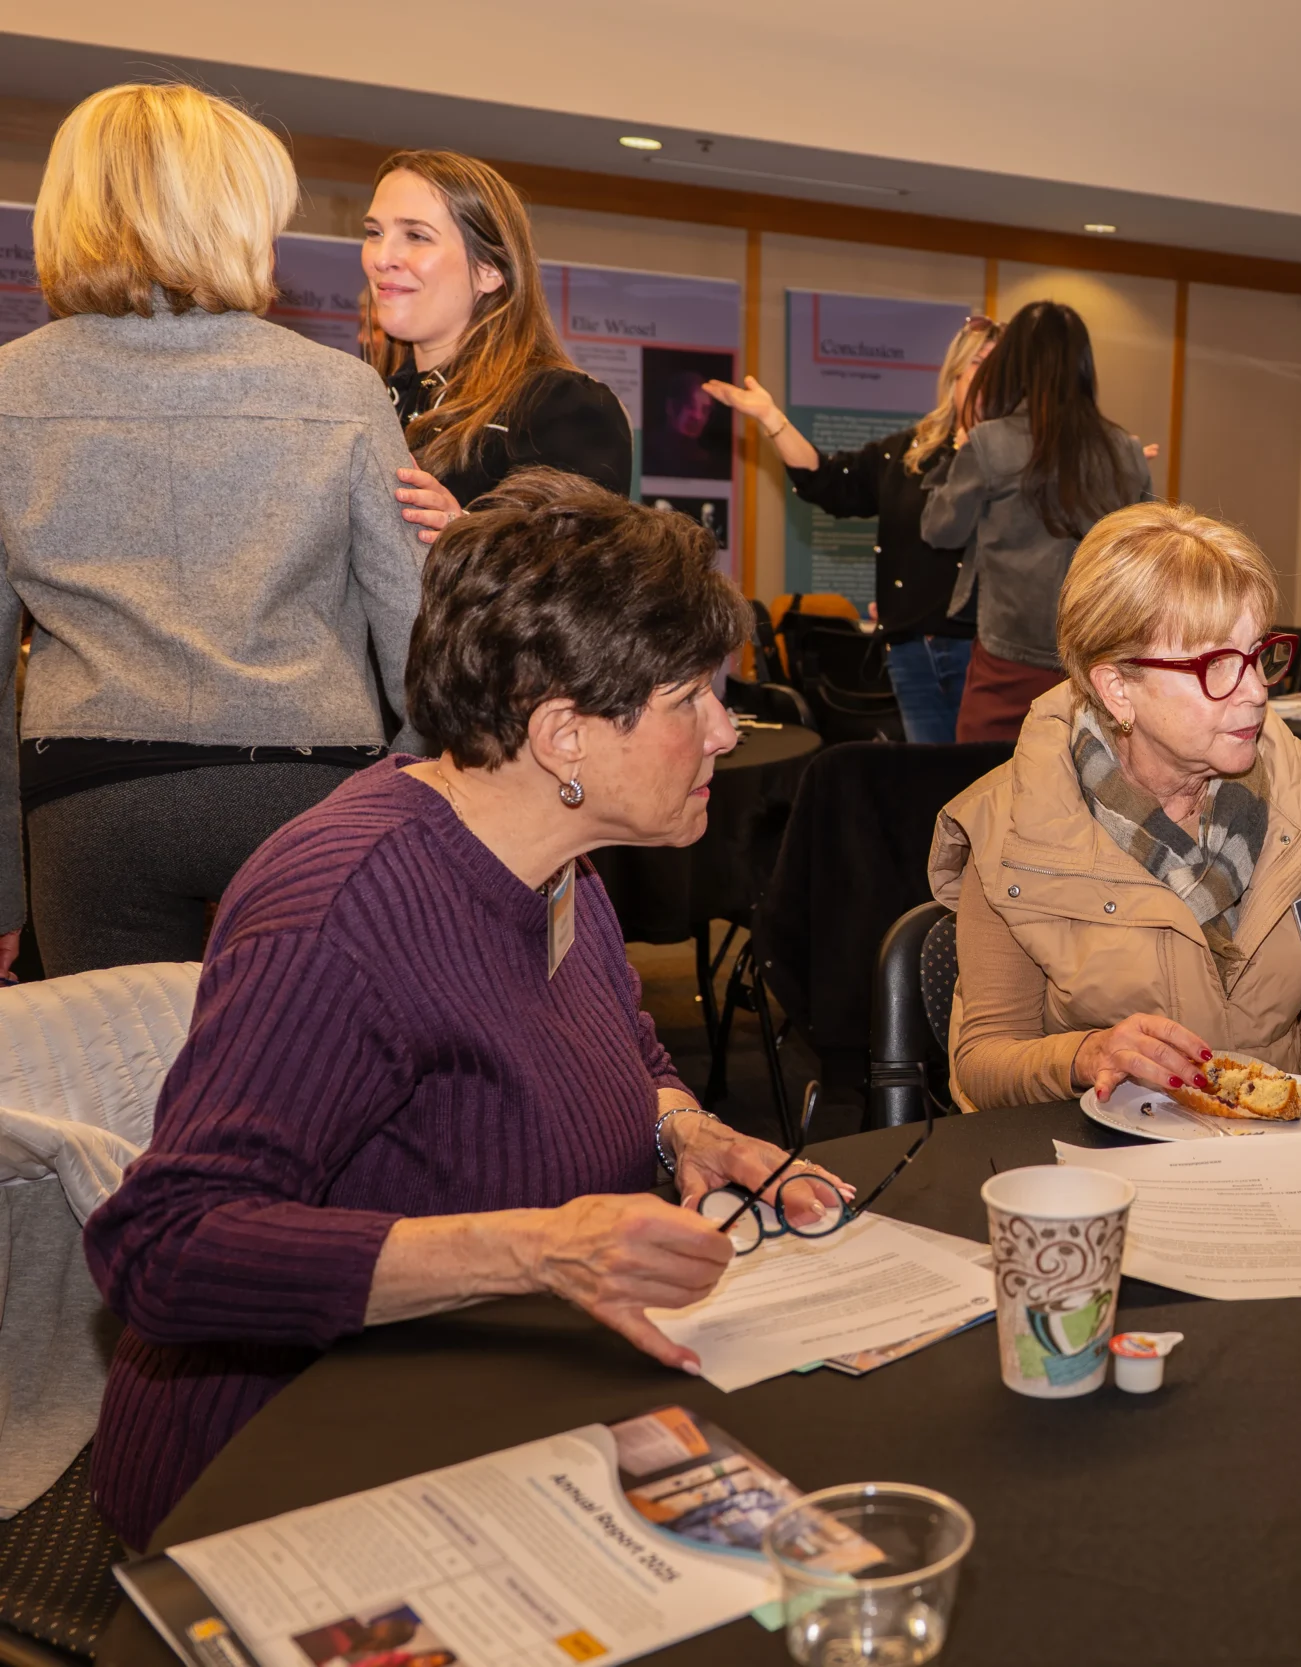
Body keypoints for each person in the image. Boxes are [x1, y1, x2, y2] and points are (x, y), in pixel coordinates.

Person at [82, 475, 848, 1547]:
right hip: (278, 1481)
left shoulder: (550, 854)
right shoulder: (343, 916)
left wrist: (685, 1126)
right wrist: (538, 1250)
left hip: (472, 1405)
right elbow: (162, 1248)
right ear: (563, 735)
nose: (726, 731)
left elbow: (621, 1037)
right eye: (691, 701)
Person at [0, 84, 426, 976]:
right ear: (233, 214)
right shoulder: (340, 391)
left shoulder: (10, 391)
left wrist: (2, 884)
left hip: (89, 799)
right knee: (304, 1077)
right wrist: (402, 803)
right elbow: (419, 641)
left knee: (111, 1085)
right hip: (307, 792)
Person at [928, 502, 1301, 1108]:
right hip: (1094, 1166)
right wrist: (1085, 1055)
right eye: (1217, 664)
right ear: (1117, 688)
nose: (1256, 691)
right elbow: (983, 1060)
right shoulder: (1011, 829)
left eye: (1257, 654)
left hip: (1269, 1167)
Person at [704, 316, 1000, 742]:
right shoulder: (908, 452)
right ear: (954, 372)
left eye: (1000, 365)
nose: (988, 375)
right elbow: (829, 481)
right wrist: (771, 418)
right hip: (911, 652)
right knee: (931, 786)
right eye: (979, 362)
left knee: (986, 785)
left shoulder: (1018, 461)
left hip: (984, 654)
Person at [364, 150, 633, 537]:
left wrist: (462, 532)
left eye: (416, 236)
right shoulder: (366, 400)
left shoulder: (558, 405)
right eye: (374, 233)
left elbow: (585, 576)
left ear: (490, 269)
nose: (382, 257)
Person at [922, 300, 1153, 742]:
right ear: (1084, 365)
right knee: (1088, 799)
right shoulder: (1125, 450)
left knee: (985, 797)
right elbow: (1144, 557)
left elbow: (939, 529)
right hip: (1097, 664)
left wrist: (958, 447)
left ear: (1012, 363)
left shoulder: (990, 442)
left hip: (1007, 661)